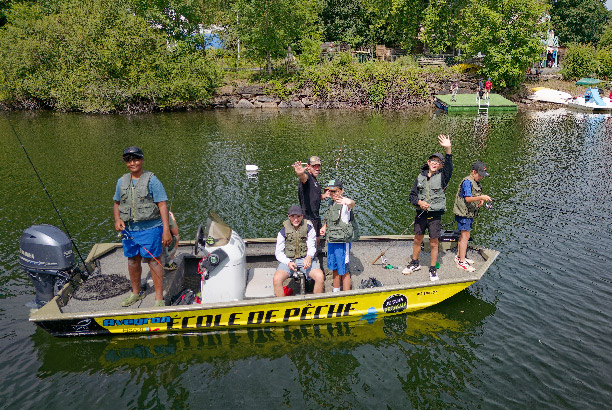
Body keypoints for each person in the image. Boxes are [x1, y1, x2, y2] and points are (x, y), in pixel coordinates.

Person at [113, 146, 172, 307]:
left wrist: (166, 230)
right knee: (132, 260)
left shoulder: (152, 180)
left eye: (136, 159)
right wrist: (117, 219)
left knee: (153, 261)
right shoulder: (121, 181)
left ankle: (159, 298)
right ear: (125, 162)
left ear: (142, 160)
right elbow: (117, 203)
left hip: (151, 229)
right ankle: (135, 293)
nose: (133, 163)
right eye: (129, 160)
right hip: (129, 230)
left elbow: (162, 205)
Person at [403, 135, 453, 281]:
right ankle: (415, 263)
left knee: (433, 242)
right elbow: (412, 196)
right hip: (421, 214)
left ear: (441, 166)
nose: (435, 163)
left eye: (438, 162)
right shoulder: (420, 177)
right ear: (428, 162)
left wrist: (448, 149)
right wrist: (419, 202)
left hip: (435, 216)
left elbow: (450, 166)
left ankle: (432, 269)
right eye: (433, 161)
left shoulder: (443, 177)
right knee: (417, 239)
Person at [273, 205, 325, 297]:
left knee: (320, 277)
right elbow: (278, 252)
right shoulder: (282, 231)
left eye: (298, 216)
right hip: (289, 260)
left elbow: (312, 246)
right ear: (289, 217)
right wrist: (288, 262)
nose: (295, 219)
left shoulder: (309, 229)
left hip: (305, 259)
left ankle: (315, 303)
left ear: (302, 216)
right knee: (277, 279)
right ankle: (283, 306)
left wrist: (309, 257)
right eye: (293, 216)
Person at [453, 161, 492, 272]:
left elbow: (474, 196)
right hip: (463, 214)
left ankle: (459, 256)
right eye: (480, 175)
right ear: (474, 172)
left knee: (463, 236)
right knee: (465, 237)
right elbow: (468, 199)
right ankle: (461, 262)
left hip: (468, 213)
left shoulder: (475, 181)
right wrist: (482, 197)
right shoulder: (467, 182)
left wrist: (480, 200)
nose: (481, 177)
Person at [320, 179, 356, 292]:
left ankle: (345, 294)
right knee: (334, 267)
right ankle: (335, 291)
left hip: (342, 243)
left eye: (336, 191)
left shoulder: (345, 205)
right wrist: (324, 227)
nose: (333, 194)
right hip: (331, 241)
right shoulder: (331, 203)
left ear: (341, 191)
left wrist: (348, 201)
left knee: (344, 269)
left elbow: (352, 204)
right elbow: (330, 218)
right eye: (331, 192)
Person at [293, 156, 330, 246]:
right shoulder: (307, 178)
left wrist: (324, 196)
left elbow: (314, 196)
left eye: (318, 166)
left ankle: (315, 256)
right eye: (314, 166)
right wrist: (300, 173)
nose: (317, 168)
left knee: (317, 240)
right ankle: (310, 259)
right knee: (311, 243)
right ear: (308, 167)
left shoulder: (315, 180)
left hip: (316, 216)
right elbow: (303, 177)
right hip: (308, 217)